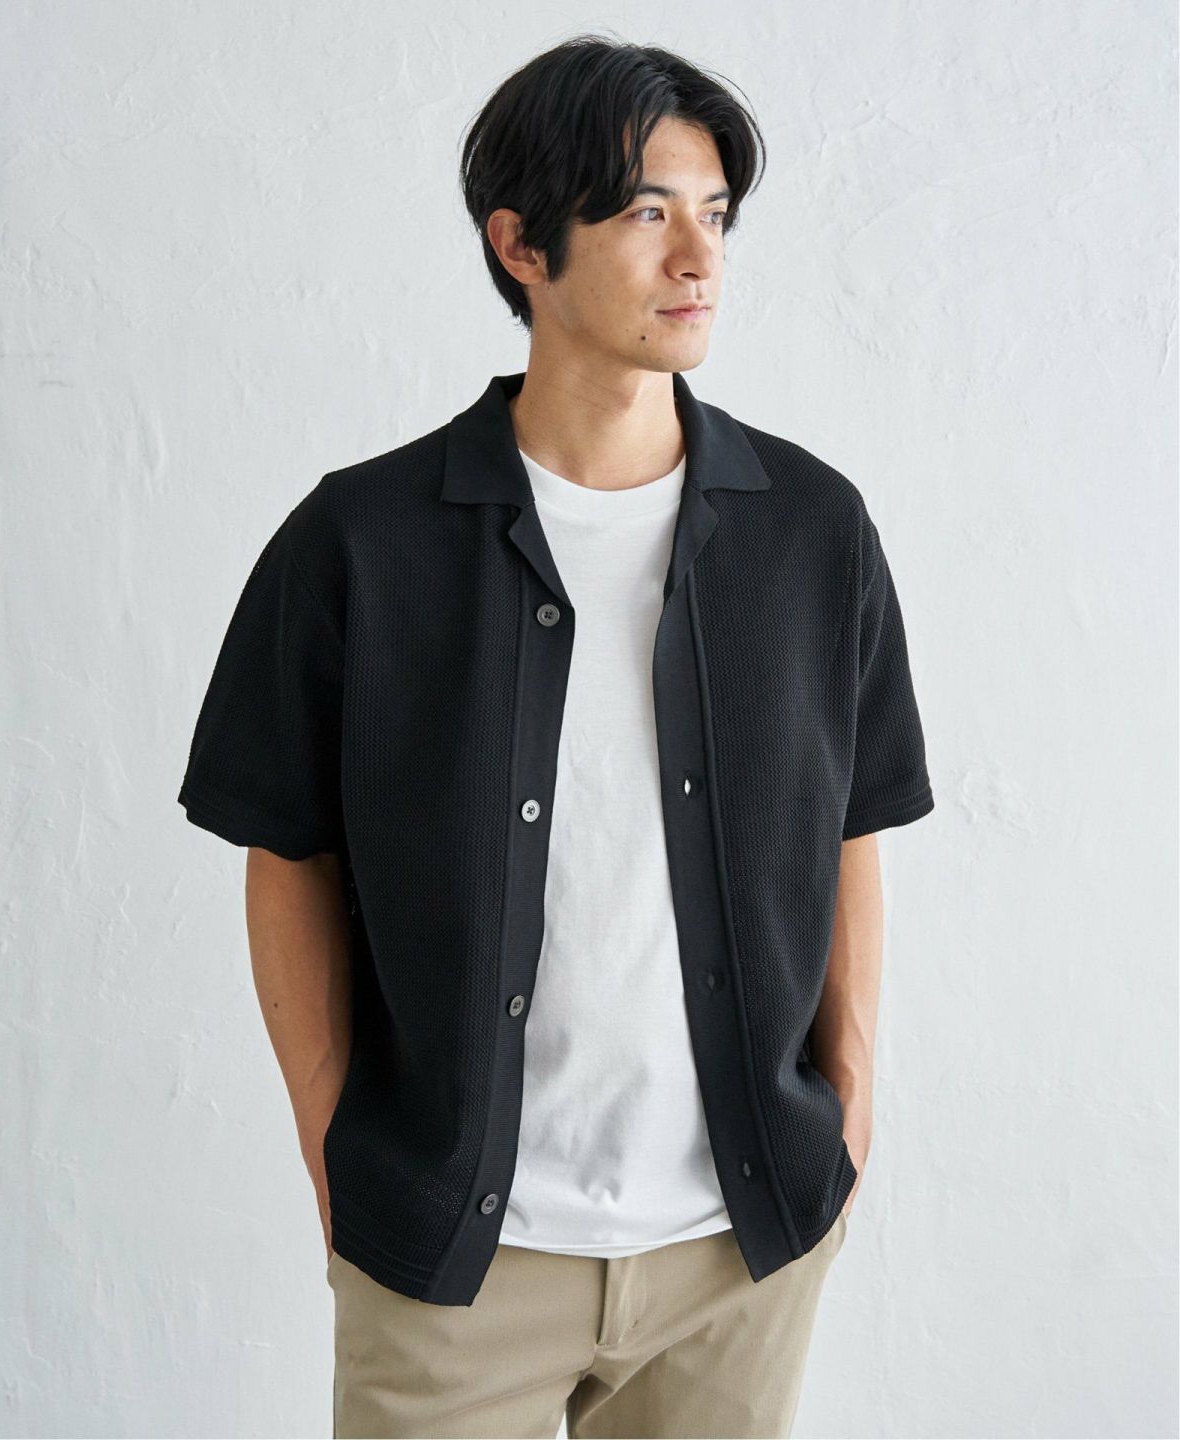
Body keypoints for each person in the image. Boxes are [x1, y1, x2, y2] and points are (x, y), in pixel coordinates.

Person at [178, 33, 935, 1440]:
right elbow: (285, 851)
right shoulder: (362, 541)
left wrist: (851, 1096)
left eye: (715, 216)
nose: (698, 260)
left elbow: (850, 826)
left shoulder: (813, 533)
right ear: (521, 245)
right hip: (454, 1267)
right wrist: (334, 1138)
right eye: (648, 213)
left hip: (737, 1253)